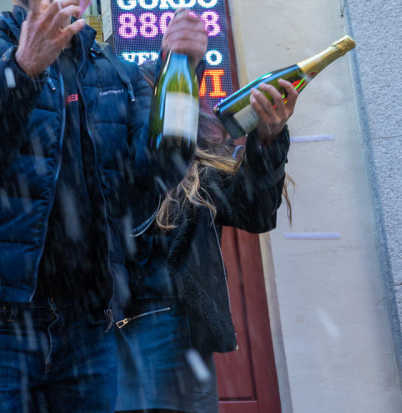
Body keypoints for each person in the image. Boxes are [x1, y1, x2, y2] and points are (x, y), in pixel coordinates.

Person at [0, 0, 206, 412]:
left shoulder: (119, 75)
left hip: (89, 324)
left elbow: (162, 170)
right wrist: (23, 68)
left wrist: (182, 74)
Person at [115, 68, 295, 413]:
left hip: (179, 333)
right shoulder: (105, 158)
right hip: (113, 329)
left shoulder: (198, 169)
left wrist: (269, 137)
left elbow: (255, 212)